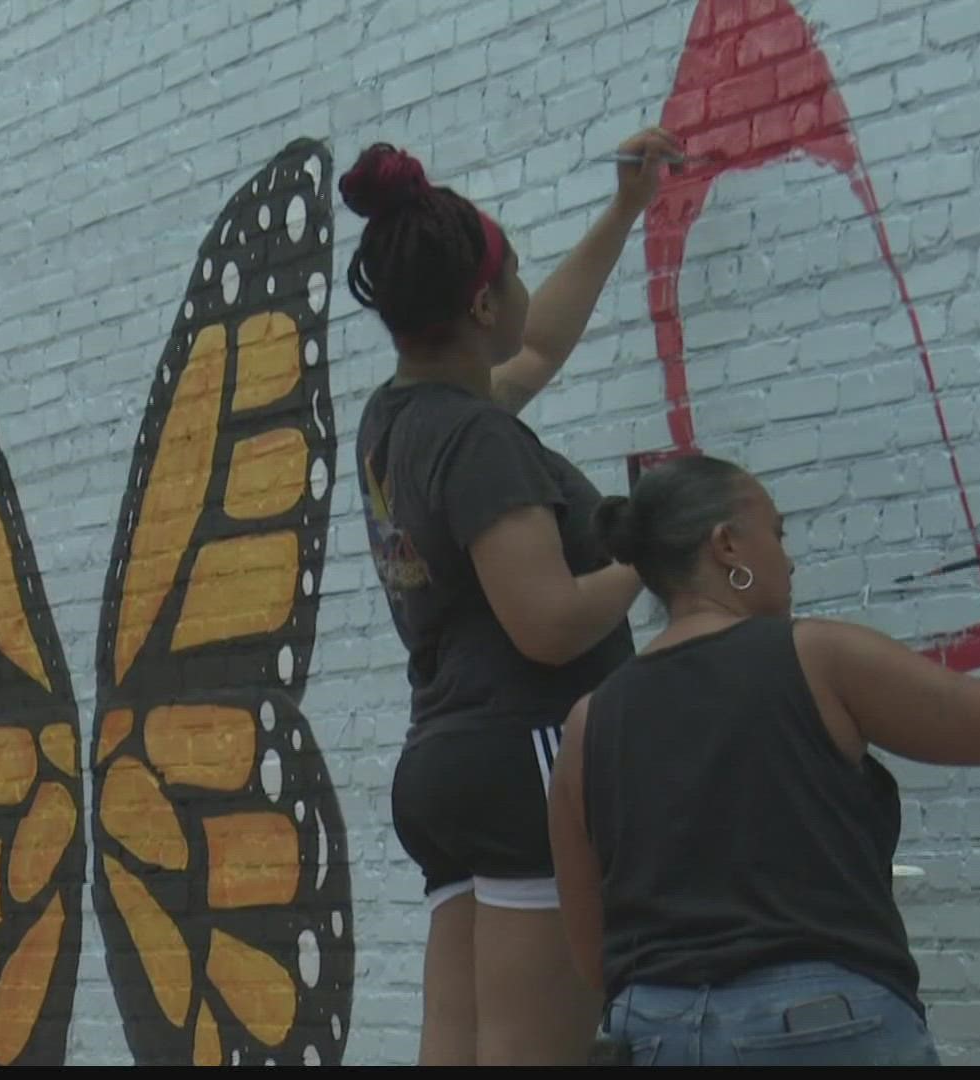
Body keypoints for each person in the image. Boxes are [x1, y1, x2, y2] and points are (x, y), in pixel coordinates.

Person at [546, 455, 980, 1066]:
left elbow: (592, 953)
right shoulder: (815, 658)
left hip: (652, 1032)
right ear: (726, 546)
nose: (789, 557)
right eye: (776, 533)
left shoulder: (589, 722)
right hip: (820, 1025)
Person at [342, 125, 683, 1065]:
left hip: (447, 767)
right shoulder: (479, 440)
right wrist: (647, 555)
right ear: (483, 299)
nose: (526, 294)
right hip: (525, 752)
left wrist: (624, 211)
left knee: (459, 1051)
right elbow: (545, 624)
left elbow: (534, 350)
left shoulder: (399, 420)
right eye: (516, 273)